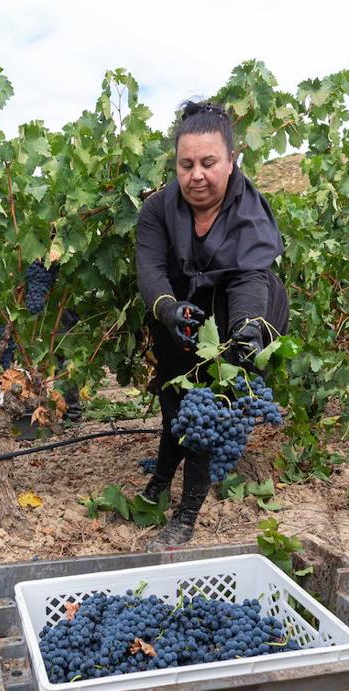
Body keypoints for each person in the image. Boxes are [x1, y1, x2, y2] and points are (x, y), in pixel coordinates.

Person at [135, 101, 290, 550]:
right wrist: (166, 309)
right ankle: (160, 483)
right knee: (173, 397)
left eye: (208, 163)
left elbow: (248, 278)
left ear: (231, 160)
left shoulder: (249, 213)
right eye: (186, 164)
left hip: (246, 307)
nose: (196, 175)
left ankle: (185, 517)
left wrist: (246, 329)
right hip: (182, 309)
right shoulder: (158, 210)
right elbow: (150, 268)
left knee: (211, 405)